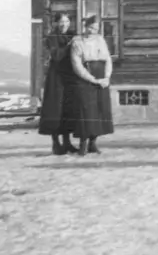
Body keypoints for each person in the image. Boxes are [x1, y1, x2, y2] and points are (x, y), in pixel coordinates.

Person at [65, 15, 116, 155]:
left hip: (101, 76)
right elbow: (77, 66)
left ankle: (93, 143)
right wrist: (92, 79)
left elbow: (108, 59)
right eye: (91, 27)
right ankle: (83, 144)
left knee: (99, 110)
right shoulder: (77, 42)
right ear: (85, 26)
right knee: (85, 111)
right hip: (86, 79)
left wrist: (106, 77)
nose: (93, 30)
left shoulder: (100, 40)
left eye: (96, 28)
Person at [36, 13, 76, 155]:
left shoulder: (72, 35)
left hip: (69, 76)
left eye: (66, 21)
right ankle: (55, 144)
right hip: (56, 77)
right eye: (61, 21)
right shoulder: (52, 37)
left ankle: (67, 143)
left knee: (67, 109)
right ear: (56, 23)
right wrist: (68, 46)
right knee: (55, 109)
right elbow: (57, 55)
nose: (64, 24)